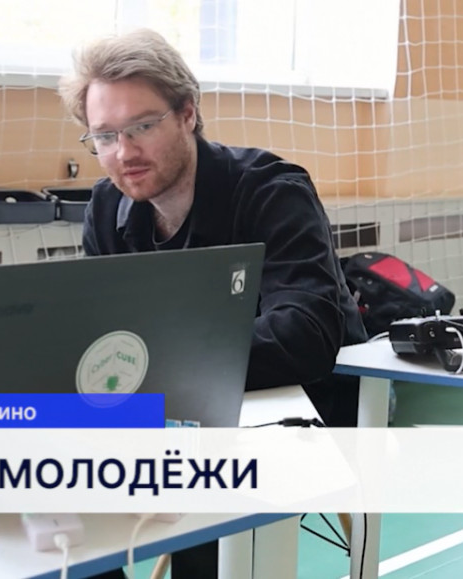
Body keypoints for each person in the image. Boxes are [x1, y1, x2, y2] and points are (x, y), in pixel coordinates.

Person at [60, 29, 368, 577]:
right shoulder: (107, 207)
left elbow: (304, 337)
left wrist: (158, 369)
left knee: (203, 506)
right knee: (52, 490)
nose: (124, 152)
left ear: (188, 113)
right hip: (174, 410)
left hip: (303, 406)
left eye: (142, 126)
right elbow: (101, 332)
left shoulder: (272, 190)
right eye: (104, 136)